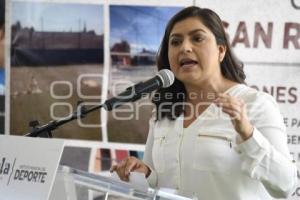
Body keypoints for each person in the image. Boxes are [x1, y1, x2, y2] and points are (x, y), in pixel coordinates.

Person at [110, 6, 297, 200]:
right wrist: (146, 174)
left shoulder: (256, 104)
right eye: (175, 42)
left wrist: (248, 134)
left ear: (221, 50)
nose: (184, 48)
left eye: (197, 38)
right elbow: (162, 182)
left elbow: (287, 186)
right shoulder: (165, 110)